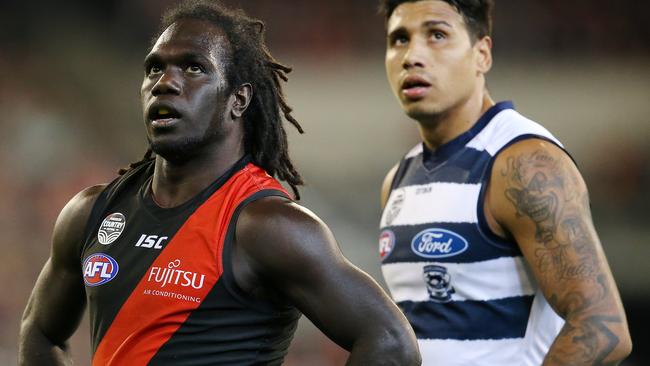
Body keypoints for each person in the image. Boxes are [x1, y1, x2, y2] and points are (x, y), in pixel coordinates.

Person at [18, 1, 421, 365]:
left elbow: (390, 343)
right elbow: (40, 332)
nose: (165, 82)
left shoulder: (266, 227)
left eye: (193, 68)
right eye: (154, 68)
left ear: (238, 99)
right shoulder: (92, 212)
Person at [377, 0, 632, 365]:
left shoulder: (523, 163)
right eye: (399, 39)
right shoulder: (398, 179)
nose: (412, 55)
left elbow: (601, 328)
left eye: (436, 35)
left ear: (481, 54)